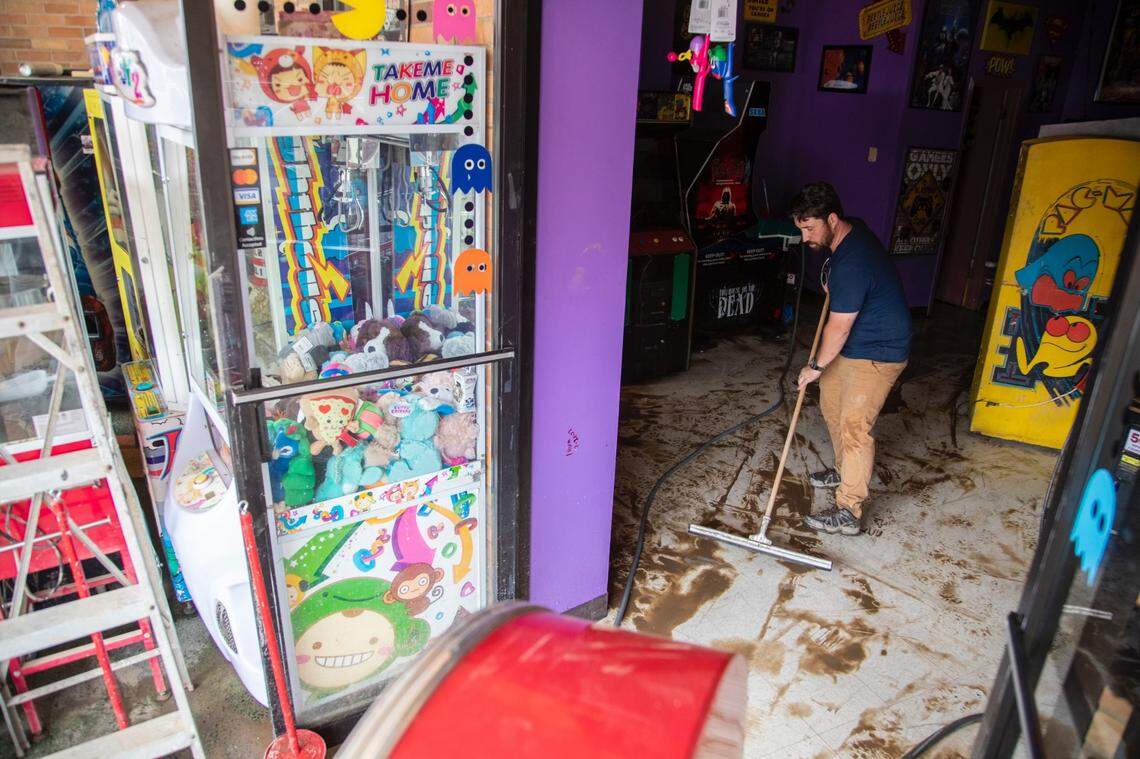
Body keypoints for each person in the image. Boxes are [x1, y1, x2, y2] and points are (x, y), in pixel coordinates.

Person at [789, 182, 912, 536]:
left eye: (809, 229)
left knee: (855, 426)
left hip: (879, 351)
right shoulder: (849, 233)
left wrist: (813, 367)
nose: (805, 238)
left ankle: (849, 509)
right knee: (831, 406)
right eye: (801, 229)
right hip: (856, 345)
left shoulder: (853, 263)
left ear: (831, 218)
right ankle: (844, 470)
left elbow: (838, 329)